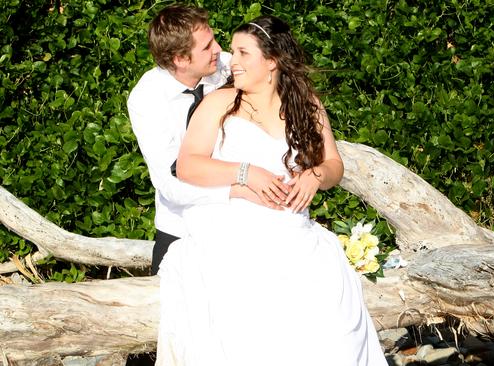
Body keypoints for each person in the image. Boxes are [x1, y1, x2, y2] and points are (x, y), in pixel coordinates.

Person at [156, 15, 388, 366]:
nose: (231, 61)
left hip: (292, 227)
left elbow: (334, 165)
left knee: (331, 315)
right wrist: (245, 173)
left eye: (242, 53)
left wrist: (315, 176)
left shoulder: (306, 104)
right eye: (232, 52)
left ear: (272, 61)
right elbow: (188, 166)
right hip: (230, 229)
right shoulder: (219, 103)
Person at [128, 5, 280, 275]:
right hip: (180, 227)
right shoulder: (147, 99)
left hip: (244, 222)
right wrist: (239, 187)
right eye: (207, 46)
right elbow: (168, 183)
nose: (220, 50)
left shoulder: (225, 66)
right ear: (180, 59)